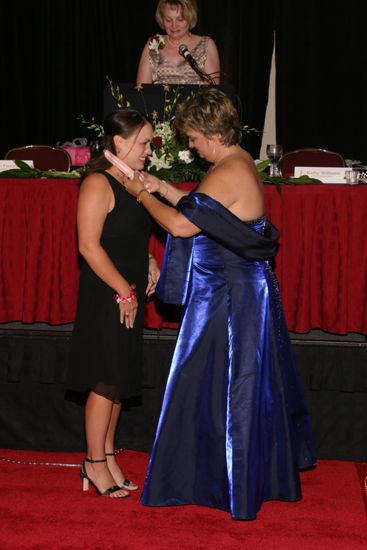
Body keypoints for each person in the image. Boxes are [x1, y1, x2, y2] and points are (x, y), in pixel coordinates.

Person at [122, 88, 316, 519]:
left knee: (228, 387)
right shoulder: (237, 161)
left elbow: (180, 224)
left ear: (211, 134)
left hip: (231, 297)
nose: (190, 146)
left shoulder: (227, 171)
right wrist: (164, 186)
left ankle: (220, 480)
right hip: (240, 292)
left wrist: (141, 192)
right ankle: (227, 475)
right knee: (226, 387)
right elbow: (205, 209)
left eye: (192, 138)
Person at [67, 109, 160, 498]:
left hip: (130, 288)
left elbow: (132, 234)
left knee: (119, 378)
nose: (148, 151)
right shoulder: (97, 182)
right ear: (119, 142)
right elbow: (88, 246)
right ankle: (93, 461)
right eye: (143, 144)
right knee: (105, 380)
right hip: (109, 291)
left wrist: (150, 261)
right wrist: (124, 289)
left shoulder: (133, 181)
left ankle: (108, 454)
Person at [136, 0, 221, 85]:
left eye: (180, 19)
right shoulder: (154, 43)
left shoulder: (205, 45)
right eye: (168, 20)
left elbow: (213, 91)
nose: (174, 25)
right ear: (162, 19)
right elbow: (141, 91)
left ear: (190, 18)